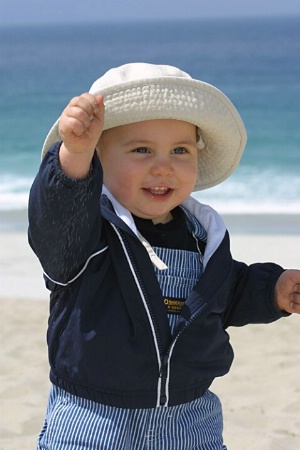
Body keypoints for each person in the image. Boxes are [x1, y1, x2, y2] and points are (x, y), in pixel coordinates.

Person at [28, 63, 300, 450]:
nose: (163, 166)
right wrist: (74, 154)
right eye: (141, 149)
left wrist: (273, 289)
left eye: (180, 150)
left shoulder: (201, 234)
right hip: (94, 419)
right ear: (99, 160)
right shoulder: (84, 236)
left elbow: (226, 292)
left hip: (190, 417)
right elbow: (56, 215)